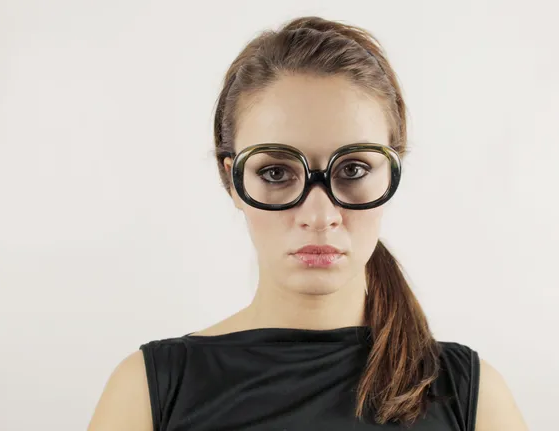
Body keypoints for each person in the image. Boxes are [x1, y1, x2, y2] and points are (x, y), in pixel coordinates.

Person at [87, 16, 529, 431]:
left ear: (393, 170)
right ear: (232, 179)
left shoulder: (471, 396)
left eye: (353, 170)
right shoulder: (149, 391)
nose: (319, 216)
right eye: (276, 173)